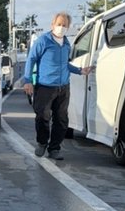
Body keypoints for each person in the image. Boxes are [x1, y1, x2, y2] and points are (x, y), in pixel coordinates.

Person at [22, 12, 94, 160]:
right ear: (52, 25)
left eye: (64, 25)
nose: (61, 27)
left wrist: (80, 70)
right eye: (59, 24)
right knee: (42, 117)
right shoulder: (43, 41)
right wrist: (28, 80)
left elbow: (65, 64)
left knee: (61, 120)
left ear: (68, 27)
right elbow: (31, 59)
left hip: (63, 88)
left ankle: (54, 148)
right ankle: (42, 143)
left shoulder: (67, 44)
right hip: (45, 87)